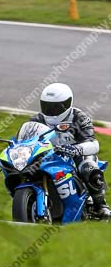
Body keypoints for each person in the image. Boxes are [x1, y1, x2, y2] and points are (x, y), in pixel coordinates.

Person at [30, 82, 110, 220]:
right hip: (49, 155)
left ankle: (101, 206)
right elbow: (26, 139)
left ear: (67, 104)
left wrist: (76, 149)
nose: (50, 111)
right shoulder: (38, 119)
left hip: (78, 155)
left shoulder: (80, 118)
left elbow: (93, 143)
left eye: (56, 107)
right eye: (47, 106)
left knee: (88, 167)